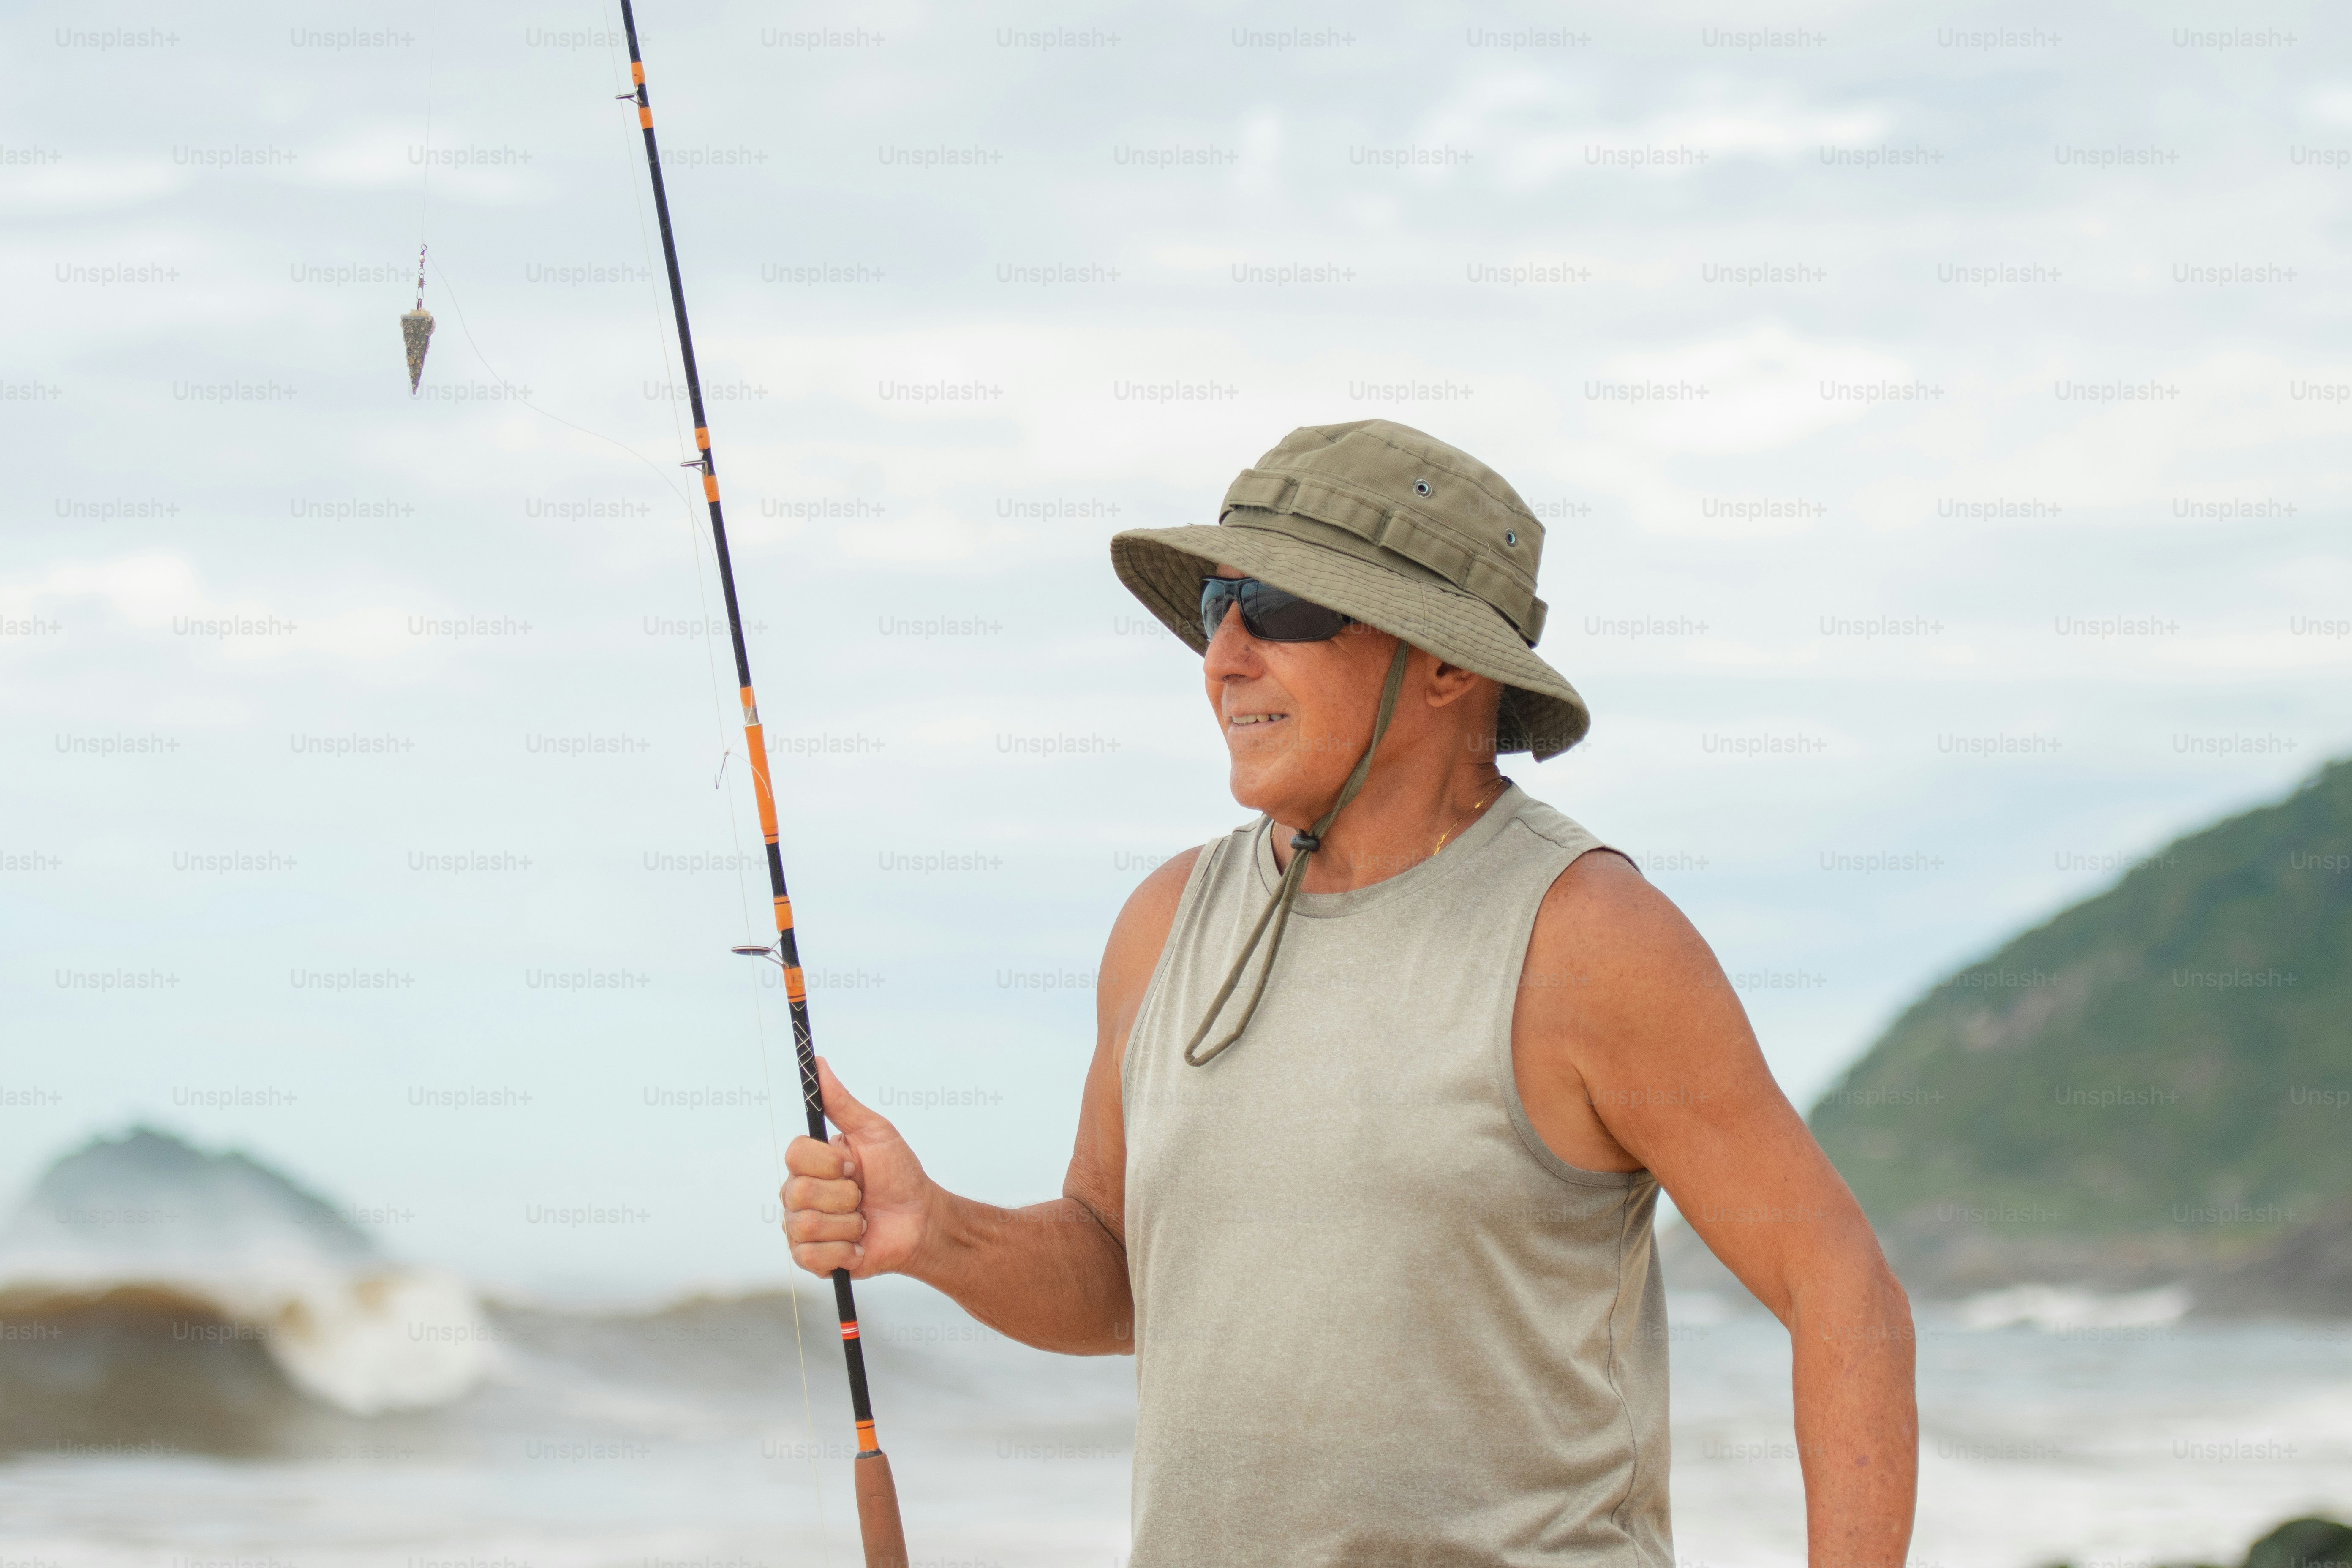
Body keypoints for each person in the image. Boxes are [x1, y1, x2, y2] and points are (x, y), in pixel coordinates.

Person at [783, 420, 1917, 1567]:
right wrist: (934, 1232)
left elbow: (1841, 1292)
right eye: (1219, 602)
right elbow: (1121, 1282)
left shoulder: (1590, 939)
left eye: (1277, 605)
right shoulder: (1164, 925)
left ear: (1445, 663)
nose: (1224, 654)